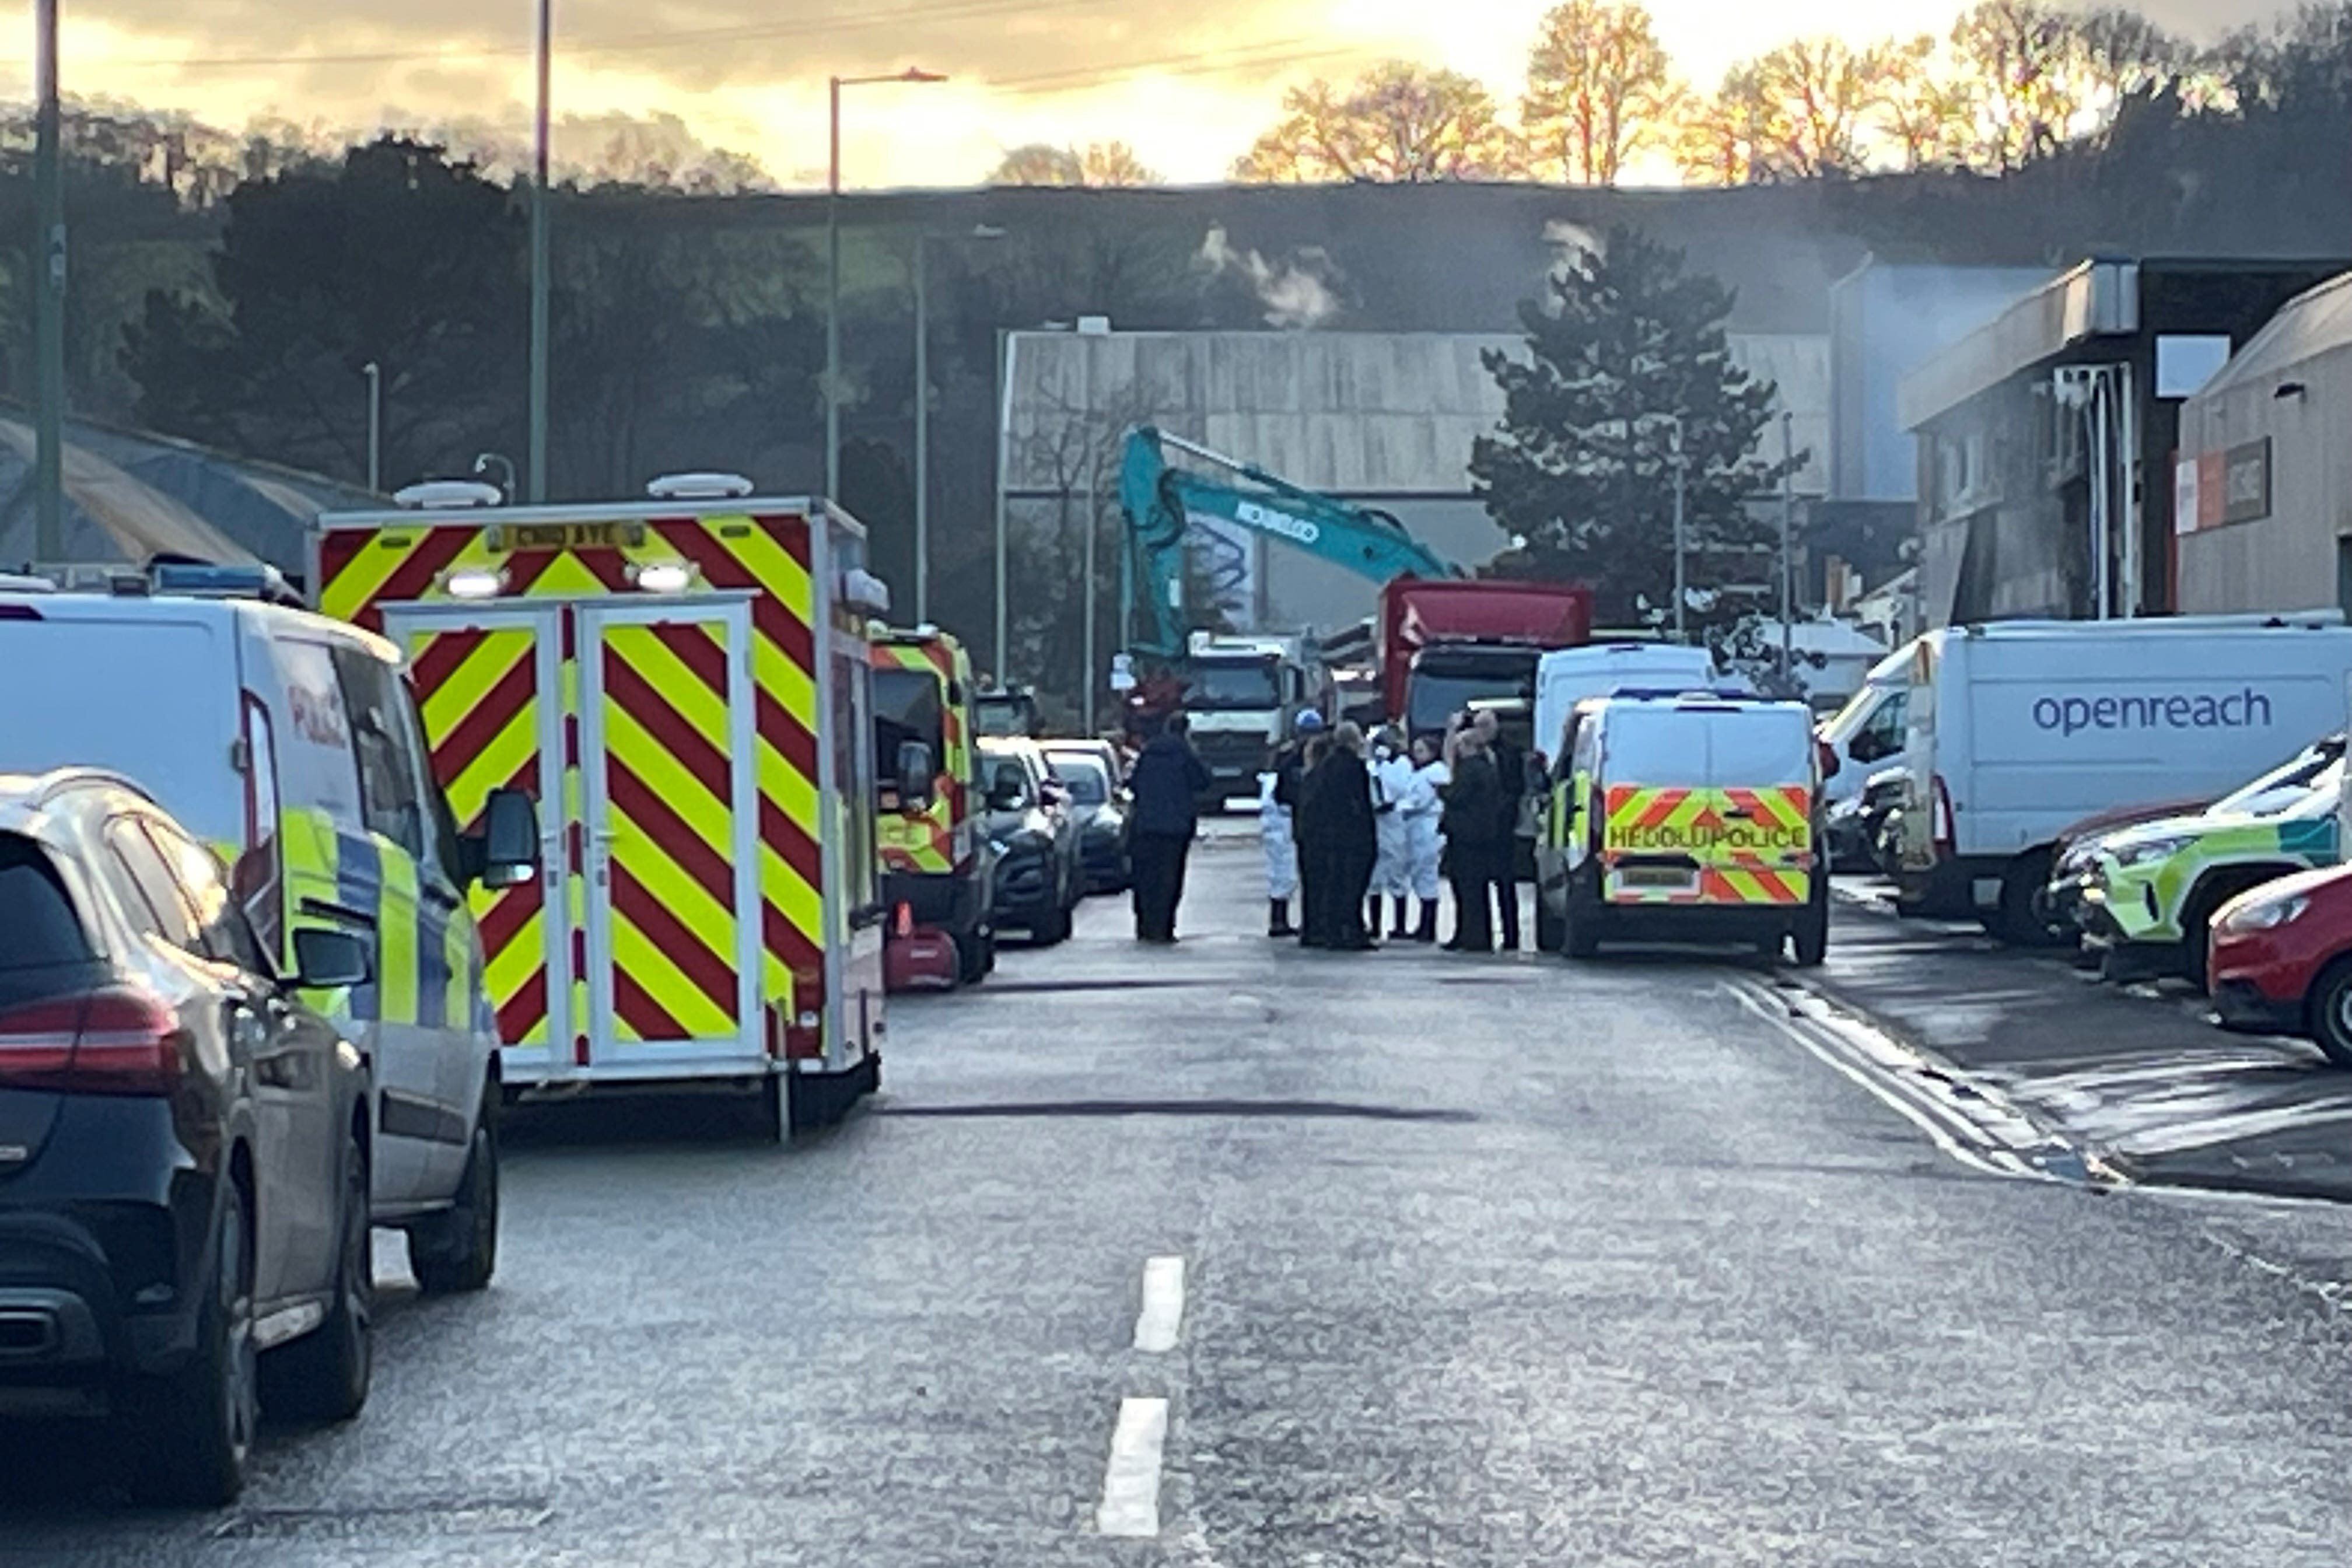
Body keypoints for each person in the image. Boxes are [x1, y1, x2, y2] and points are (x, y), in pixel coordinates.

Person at [1126, 712, 1212, 944]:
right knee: (1170, 878)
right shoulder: (1185, 754)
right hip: (1176, 829)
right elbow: (1203, 782)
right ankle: (1164, 927)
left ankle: (1144, 926)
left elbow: (1133, 784)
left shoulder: (1148, 753)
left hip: (1145, 827)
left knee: (1145, 877)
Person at [1298, 721, 1378, 950]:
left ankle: (1332, 930)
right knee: (1351, 886)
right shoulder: (1353, 767)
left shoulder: (1325, 766)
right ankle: (1350, 931)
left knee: (1334, 884)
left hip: (1328, 836)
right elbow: (1359, 804)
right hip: (1351, 836)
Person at [1440, 718, 1509, 953]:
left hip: (1467, 837)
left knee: (1468, 889)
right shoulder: (1487, 768)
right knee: (1474, 889)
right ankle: (1472, 934)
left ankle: (1472, 936)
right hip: (1481, 836)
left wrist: (1441, 790)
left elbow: (1456, 797)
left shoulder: (1471, 770)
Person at [1264, 709, 1323, 938]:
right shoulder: (1288, 760)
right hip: (1289, 820)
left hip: (1310, 822)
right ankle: (1279, 920)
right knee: (1283, 872)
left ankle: (1311, 919)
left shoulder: (1321, 758)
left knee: (1312, 873)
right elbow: (1280, 791)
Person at [1472, 708, 1527, 951]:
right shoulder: (1472, 753)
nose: (1481, 731)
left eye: (1485, 726)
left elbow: (1515, 786)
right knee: (1479, 881)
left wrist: (1504, 810)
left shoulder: (1509, 752)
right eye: (1478, 726)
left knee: (1505, 883)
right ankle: (1481, 934)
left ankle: (1511, 934)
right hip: (1480, 827)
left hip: (1503, 826)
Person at [1367, 727, 1415, 940]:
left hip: (1395, 820)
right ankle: (1375, 924)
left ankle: (1400, 925)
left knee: (1397, 871)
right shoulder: (1372, 766)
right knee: (1374, 875)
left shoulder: (1403, 765)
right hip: (1376, 822)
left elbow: (1403, 789)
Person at [1399, 734, 1448, 943]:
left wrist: (1397, 807)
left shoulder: (1434, 773)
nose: (1416, 755)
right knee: (1420, 876)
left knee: (1426, 875)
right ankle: (1424, 923)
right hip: (1417, 827)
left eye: (1421, 751)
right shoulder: (1422, 773)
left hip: (1426, 827)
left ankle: (1428, 926)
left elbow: (1419, 800)